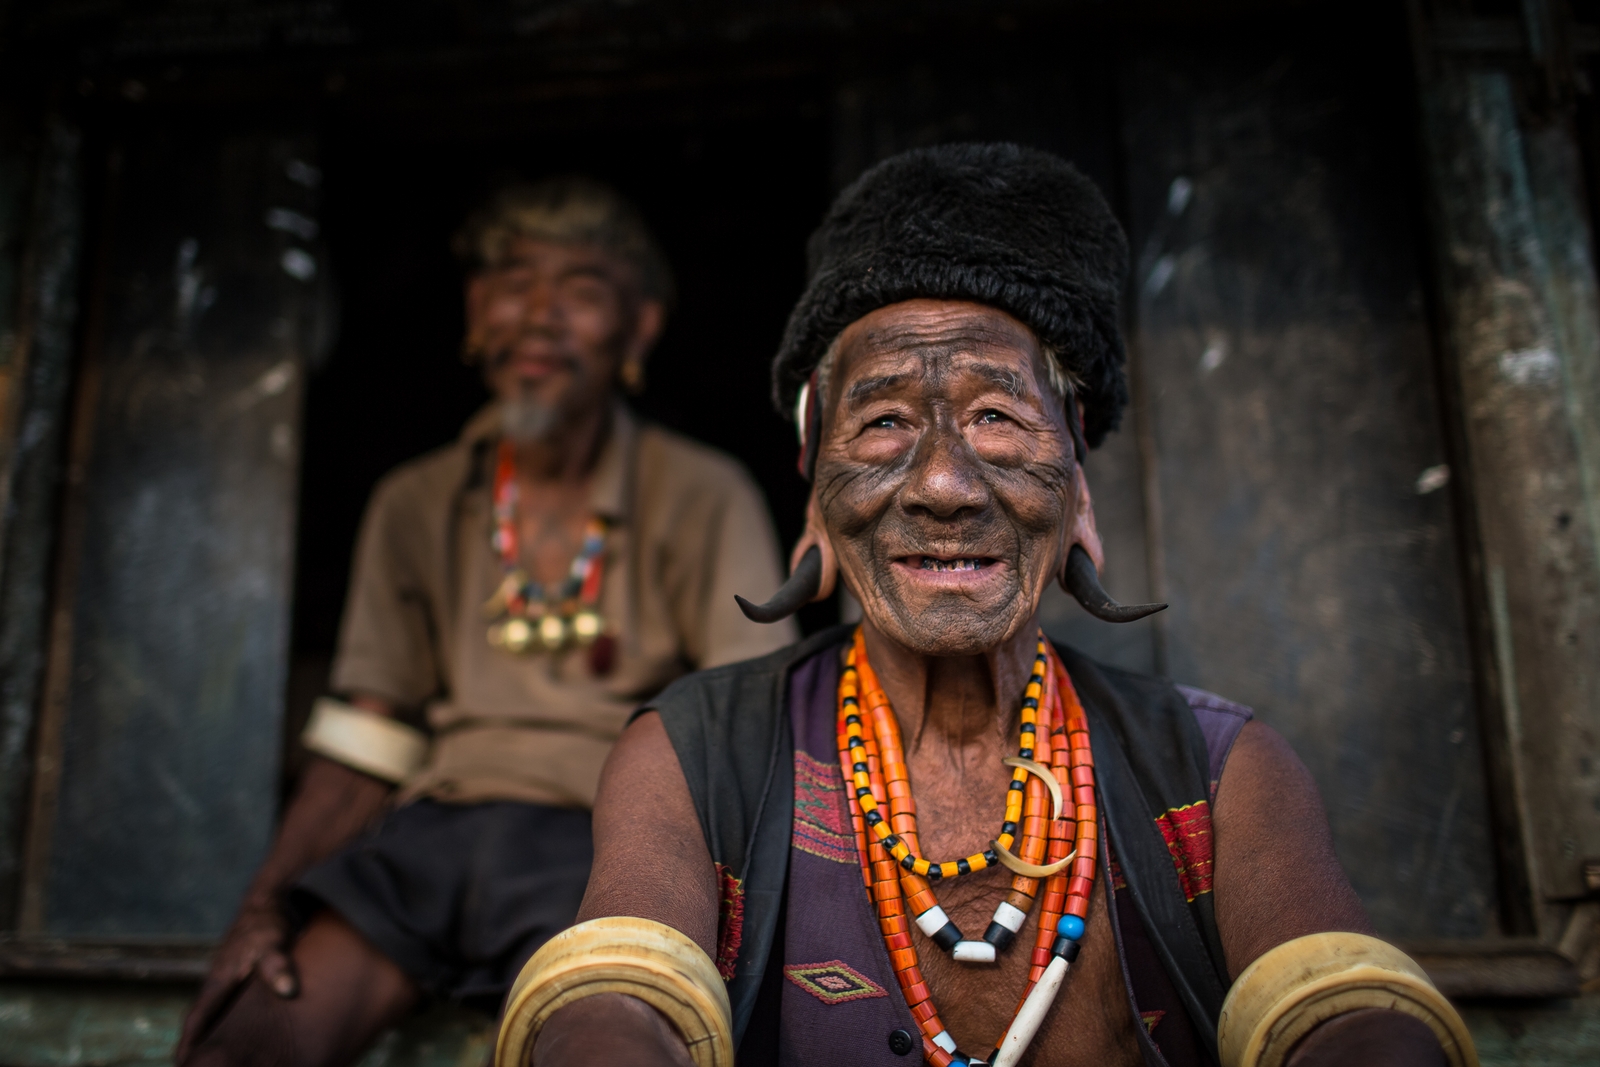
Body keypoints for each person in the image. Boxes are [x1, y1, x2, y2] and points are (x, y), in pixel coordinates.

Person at [500, 146, 1476, 1067]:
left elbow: (1338, 1005)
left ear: (1077, 487)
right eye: (882, 419)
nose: (942, 484)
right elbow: (617, 992)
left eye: (996, 417)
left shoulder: (1222, 771)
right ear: (813, 502)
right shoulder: (691, 753)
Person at [177, 178, 797, 1067]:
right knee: (238, 1046)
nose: (538, 315)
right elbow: (368, 730)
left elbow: (748, 722)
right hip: (433, 836)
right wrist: (264, 906)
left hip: (602, 838)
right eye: (512, 282)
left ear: (640, 328)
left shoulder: (702, 492)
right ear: (475, 311)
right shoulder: (417, 499)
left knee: (599, 1048)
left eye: (580, 289)